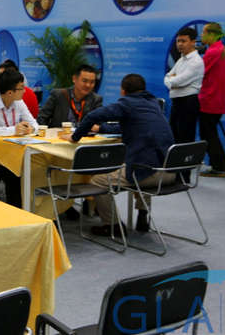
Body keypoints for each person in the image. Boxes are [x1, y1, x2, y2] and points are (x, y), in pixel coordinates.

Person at [64, 74, 175, 235]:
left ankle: (112, 225)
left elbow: (92, 116)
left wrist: (74, 137)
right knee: (144, 160)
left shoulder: (127, 103)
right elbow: (128, 126)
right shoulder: (153, 103)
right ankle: (143, 214)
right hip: (170, 171)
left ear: (123, 91)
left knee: (98, 180)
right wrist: (100, 129)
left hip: (150, 174)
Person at [0, 68, 38, 207]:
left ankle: (34, 207)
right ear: (10, 92)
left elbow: (35, 124)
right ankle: (16, 209)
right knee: (13, 173)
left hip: (14, 151)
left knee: (35, 167)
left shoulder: (19, 103)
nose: (25, 91)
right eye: (21, 88)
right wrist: (13, 130)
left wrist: (30, 129)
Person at [198, 23, 225, 177]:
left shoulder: (213, 51)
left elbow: (199, 72)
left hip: (210, 99)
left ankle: (219, 167)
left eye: (203, 32)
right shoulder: (221, 49)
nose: (201, 35)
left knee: (208, 135)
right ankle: (222, 165)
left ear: (211, 34)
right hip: (216, 99)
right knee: (211, 134)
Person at [164, 27, 204, 152]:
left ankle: (185, 165)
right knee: (175, 137)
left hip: (188, 102)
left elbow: (178, 81)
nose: (180, 44)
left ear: (193, 42)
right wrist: (172, 81)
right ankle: (177, 164)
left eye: (183, 41)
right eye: (178, 41)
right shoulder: (181, 60)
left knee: (185, 139)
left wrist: (172, 81)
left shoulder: (196, 61)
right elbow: (167, 78)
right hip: (177, 102)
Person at [37, 64, 103, 128]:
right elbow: (41, 118)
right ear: (74, 79)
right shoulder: (58, 95)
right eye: (84, 81)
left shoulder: (96, 100)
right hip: (59, 134)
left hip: (83, 135)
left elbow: (99, 123)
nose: (88, 85)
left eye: (92, 82)